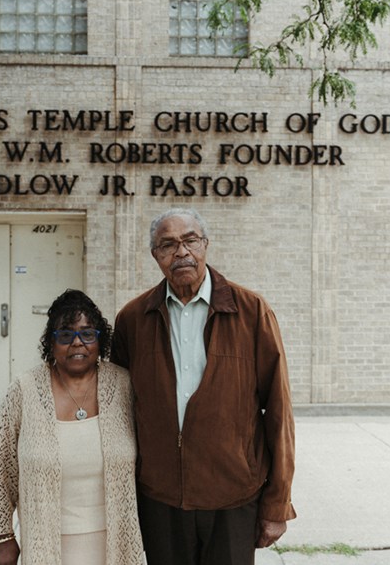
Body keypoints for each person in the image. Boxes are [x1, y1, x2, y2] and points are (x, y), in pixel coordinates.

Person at [111, 208, 296, 565]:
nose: (180, 252)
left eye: (189, 240)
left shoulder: (252, 312)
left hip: (233, 497)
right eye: (167, 245)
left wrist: (277, 502)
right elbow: (119, 413)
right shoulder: (133, 319)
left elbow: (279, 413)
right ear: (155, 256)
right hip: (160, 499)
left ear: (205, 245)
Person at [0, 289, 145, 565]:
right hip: (45, 542)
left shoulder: (123, 386)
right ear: (51, 342)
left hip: (116, 542)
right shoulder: (25, 390)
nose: (77, 343)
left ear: (99, 339)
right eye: (66, 335)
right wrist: (3, 536)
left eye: (87, 333)